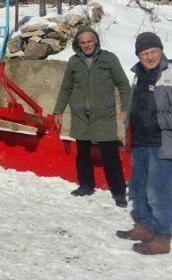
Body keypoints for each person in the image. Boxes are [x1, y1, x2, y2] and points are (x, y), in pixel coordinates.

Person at [117, 32, 172, 255]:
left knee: (156, 191)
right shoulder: (138, 74)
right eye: (145, 53)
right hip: (140, 141)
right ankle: (144, 227)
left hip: (163, 142)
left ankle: (162, 237)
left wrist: (160, 121)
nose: (150, 57)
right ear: (139, 55)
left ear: (161, 51)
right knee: (138, 188)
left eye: (154, 51)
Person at [52, 27, 130, 207]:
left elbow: (123, 85)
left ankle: (118, 192)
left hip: (104, 116)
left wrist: (125, 107)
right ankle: (86, 185)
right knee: (83, 153)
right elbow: (66, 88)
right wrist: (58, 111)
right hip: (81, 116)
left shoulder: (109, 59)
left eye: (90, 41)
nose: (87, 45)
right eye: (83, 42)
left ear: (96, 41)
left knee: (110, 155)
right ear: (78, 44)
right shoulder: (74, 62)